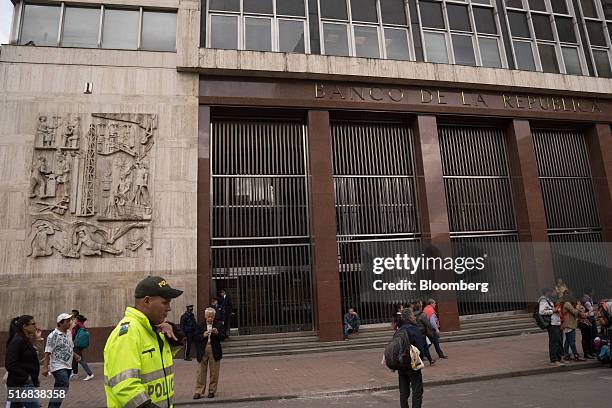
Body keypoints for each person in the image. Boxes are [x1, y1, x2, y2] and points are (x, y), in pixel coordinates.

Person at [104, 276, 185, 408]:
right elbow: (125, 386)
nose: (169, 308)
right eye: (165, 302)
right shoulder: (128, 333)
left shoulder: (152, 329)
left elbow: (160, 361)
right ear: (147, 301)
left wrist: (174, 336)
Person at [43, 313, 81, 408]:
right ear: (60, 323)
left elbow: (69, 347)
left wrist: (75, 355)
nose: (70, 323)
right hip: (57, 366)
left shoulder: (68, 333)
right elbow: (47, 352)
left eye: (70, 320)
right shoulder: (53, 336)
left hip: (67, 365)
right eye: (67, 321)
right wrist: (45, 367)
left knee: (61, 388)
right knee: (64, 384)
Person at [5, 315, 43, 408]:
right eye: (33, 324)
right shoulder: (18, 340)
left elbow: (39, 358)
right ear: (25, 326)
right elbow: (10, 364)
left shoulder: (26, 340)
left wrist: (38, 339)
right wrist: (27, 377)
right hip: (21, 384)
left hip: (24, 383)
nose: (36, 326)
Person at [193, 308, 225, 400]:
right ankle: (198, 391)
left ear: (214, 317)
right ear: (205, 316)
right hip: (203, 350)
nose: (210, 318)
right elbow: (195, 337)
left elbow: (223, 337)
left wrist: (217, 333)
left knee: (214, 372)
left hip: (214, 350)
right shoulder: (200, 325)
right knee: (200, 372)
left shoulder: (218, 325)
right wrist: (203, 335)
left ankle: (212, 391)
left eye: (211, 316)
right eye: (208, 316)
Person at [396, 309, 425, 408]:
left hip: (400, 365)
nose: (415, 317)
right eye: (413, 315)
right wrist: (420, 360)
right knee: (417, 391)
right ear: (409, 317)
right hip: (413, 364)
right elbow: (420, 348)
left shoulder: (398, 330)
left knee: (403, 392)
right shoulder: (413, 329)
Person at [538, 288, 565, 366]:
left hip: (556, 322)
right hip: (552, 323)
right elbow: (542, 311)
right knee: (554, 341)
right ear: (547, 292)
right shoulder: (543, 300)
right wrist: (553, 310)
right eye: (551, 292)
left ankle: (559, 358)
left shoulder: (548, 299)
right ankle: (553, 359)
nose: (553, 293)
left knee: (559, 340)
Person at [560, 293, 586, 361]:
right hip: (569, 324)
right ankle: (576, 355)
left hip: (568, 324)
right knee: (572, 341)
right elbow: (575, 312)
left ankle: (566, 355)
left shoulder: (565, 303)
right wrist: (577, 306)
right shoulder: (567, 303)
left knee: (568, 341)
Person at [71, 315, 94, 380]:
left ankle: (90, 374)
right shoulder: (82, 326)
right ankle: (75, 373)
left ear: (77, 320)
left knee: (80, 359)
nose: (74, 320)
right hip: (79, 345)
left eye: (75, 319)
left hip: (76, 345)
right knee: (75, 358)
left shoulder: (78, 326)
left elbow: (74, 336)